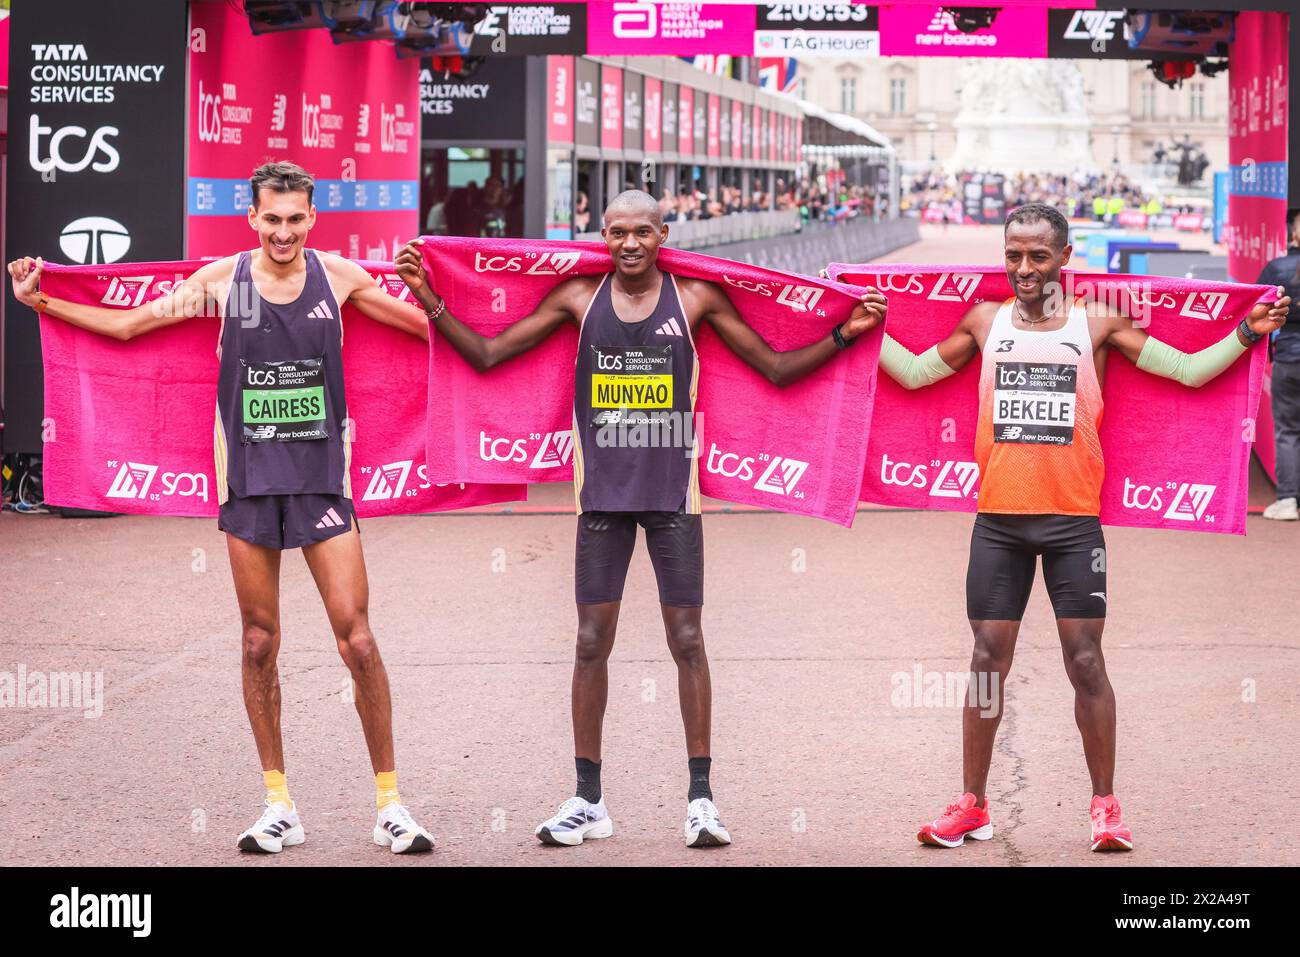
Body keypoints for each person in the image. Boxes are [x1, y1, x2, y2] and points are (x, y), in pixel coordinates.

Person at [395, 189, 885, 849]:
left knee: (687, 640)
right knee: (591, 642)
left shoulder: (695, 300)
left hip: (672, 501)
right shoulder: (577, 297)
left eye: (643, 233)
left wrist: (843, 333)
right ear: (604, 234)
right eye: (618, 232)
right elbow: (487, 355)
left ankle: (702, 800)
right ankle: (588, 798)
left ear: (663, 234)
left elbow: (773, 367)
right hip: (601, 499)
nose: (629, 244)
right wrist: (429, 298)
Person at [7, 161, 438, 855]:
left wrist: (452, 305)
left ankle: (391, 803)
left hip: (323, 481)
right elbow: (128, 328)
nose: (284, 231)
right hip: (249, 484)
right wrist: (40, 303)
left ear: (312, 218)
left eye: (296, 218)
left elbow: (429, 334)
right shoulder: (223, 283)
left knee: (357, 638)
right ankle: (278, 804)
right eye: (272, 218)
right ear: (252, 219)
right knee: (258, 640)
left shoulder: (339, 277)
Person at [865, 203, 1288, 852]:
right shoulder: (985, 320)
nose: (1024, 268)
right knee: (985, 661)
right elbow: (920, 372)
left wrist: (1246, 333)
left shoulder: (1098, 324)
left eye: (1038, 255)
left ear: (1064, 257)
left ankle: (1105, 807)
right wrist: (869, 330)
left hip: (1072, 528)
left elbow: (1186, 371)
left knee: (1086, 661)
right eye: (1013, 255)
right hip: (999, 524)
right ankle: (972, 804)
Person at [1255, 208, 1300, 520]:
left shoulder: (1277, 268)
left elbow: (1254, 307)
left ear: (1294, 234)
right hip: (1287, 355)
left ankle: (1287, 500)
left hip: (1289, 359)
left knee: (1288, 431)